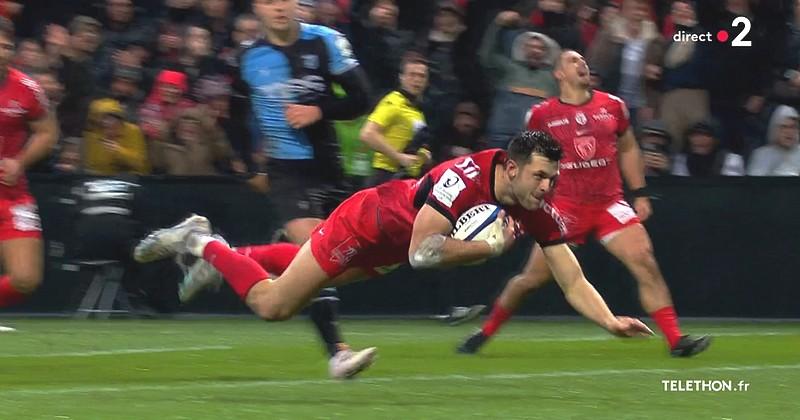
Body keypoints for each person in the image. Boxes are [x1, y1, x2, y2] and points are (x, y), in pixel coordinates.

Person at [133, 131, 654, 362]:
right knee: (273, 304)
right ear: (512, 168)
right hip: (368, 223)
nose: (548, 188)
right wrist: (483, 250)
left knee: (296, 265)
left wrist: (608, 321)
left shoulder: (532, 203)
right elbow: (423, 255)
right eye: (541, 177)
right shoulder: (462, 179)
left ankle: (224, 256)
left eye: (552, 179)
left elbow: (571, 277)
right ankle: (202, 242)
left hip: (387, 248)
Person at [459, 51, 710, 357]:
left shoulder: (612, 106)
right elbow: (525, 163)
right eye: (572, 61)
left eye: (583, 61)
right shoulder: (541, 114)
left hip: (608, 203)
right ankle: (485, 332)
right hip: (562, 209)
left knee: (644, 260)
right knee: (530, 280)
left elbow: (628, 146)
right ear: (558, 74)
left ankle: (675, 339)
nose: (582, 65)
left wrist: (640, 192)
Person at [212, 0, 373, 378]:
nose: (278, 8)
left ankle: (227, 254)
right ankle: (338, 352)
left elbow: (362, 98)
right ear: (257, 9)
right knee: (317, 252)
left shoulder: (327, 42)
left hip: (331, 169)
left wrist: (319, 111)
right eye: (268, 1)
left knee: (342, 264)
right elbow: (232, 117)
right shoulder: (248, 59)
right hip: (287, 172)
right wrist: (247, 165)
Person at [0, 18, 59, 331]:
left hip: (11, 192)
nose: (2, 51)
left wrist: (20, 161)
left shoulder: (27, 88)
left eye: (7, 45)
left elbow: (48, 132)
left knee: (26, 279)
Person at [359, 54, 429, 186]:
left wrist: (423, 155)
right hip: (386, 176)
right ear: (401, 77)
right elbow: (367, 134)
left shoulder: (416, 108)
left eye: (422, 76)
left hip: (406, 178)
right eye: (412, 75)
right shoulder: (393, 102)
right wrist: (399, 157)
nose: (417, 80)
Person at [746, 105, 800, 176]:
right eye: (784, 127)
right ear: (775, 129)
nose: (789, 132)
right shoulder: (761, 155)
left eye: (793, 127)